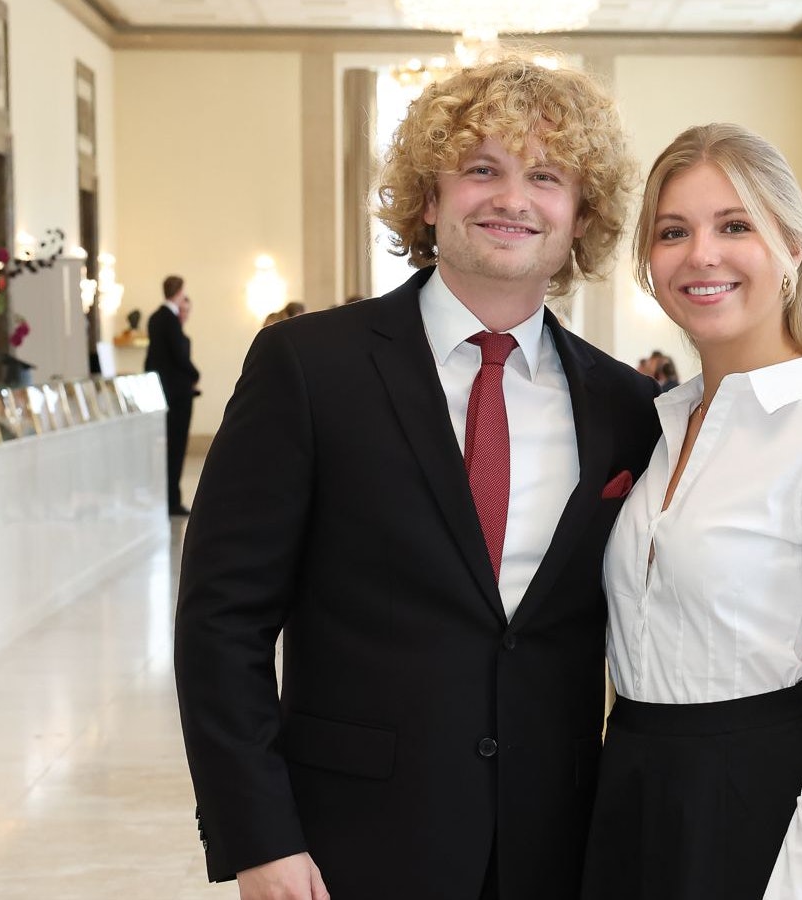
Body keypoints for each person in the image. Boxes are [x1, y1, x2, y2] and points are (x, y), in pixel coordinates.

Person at [173, 57, 659, 900]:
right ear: (429, 199)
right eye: (482, 170)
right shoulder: (308, 368)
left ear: (581, 215)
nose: (512, 199)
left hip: (561, 844)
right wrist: (259, 837)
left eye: (545, 176)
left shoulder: (627, 405)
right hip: (348, 843)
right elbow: (221, 624)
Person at [580, 123, 802, 900]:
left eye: (735, 225)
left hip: (766, 816)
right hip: (635, 794)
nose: (701, 253)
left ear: (793, 249)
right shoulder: (668, 426)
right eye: (674, 232)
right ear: (649, 263)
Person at [144, 275, 200, 516]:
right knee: (176, 447)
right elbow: (178, 356)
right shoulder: (169, 319)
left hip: (163, 390)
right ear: (178, 292)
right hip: (176, 394)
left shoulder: (156, 318)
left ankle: (167, 497)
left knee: (168, 448)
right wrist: (195, 373)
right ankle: (172, 500)